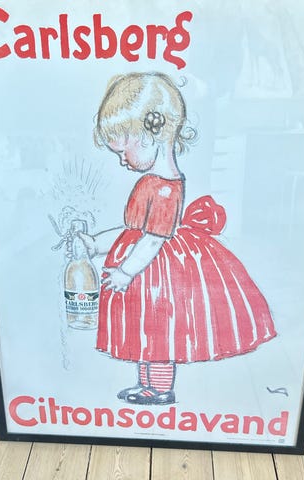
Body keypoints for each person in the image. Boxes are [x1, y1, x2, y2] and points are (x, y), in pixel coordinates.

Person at [80, 72, 276, 405]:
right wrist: (97, 244)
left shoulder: (164, 187)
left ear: (151, 136)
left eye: (124, 151)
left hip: (158, 273)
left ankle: (159, 389)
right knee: (145, 329)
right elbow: (133, 232)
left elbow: (153, 240)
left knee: (157, 328)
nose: (122, 161)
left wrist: (126, 272)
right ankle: (146, 384)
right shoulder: (150, 182)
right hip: (144, 262)